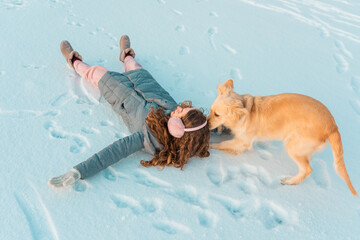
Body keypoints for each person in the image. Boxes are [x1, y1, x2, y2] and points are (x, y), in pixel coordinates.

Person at [49, 35, 210, 188]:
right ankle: (126, 54)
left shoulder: (147, 136)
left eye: (180, 112)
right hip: (144, 81)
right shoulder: (187, 124)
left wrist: (79, 171)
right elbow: (204, 132)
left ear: (178, 128)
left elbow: (115, 151)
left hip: (118, 91)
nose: (178, 107)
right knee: (133, 66)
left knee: (94, 73)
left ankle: (74, 60)